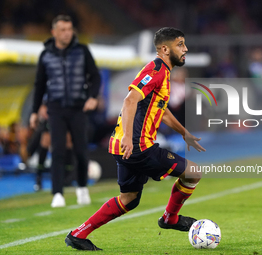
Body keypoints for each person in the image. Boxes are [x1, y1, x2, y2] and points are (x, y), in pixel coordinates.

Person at [65, 27, 205, 251]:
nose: (185, 49)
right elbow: (130, 100)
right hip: (140, 147)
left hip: (126, 147)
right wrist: (129, 139)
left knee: (129, 198)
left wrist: (184, 133)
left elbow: (162, 110)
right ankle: (170, 218)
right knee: (194, 172)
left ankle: (78, 234)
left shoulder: (163, 73)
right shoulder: (156, 69)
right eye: (180, 44)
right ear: (165, 49)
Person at [29, 15, 101, 207]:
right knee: (58, 150)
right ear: (54, 32)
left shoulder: (82, 51)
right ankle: (57, 193)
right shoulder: (46, 55)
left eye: (69, 29)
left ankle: (82, 187)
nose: (67, 33)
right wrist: (35, 111)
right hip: (56, 108)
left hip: (78, 108)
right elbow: (39, 85)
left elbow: (95, 76)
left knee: (80, 150)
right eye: (62, 29)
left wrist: (93, 97)